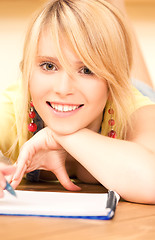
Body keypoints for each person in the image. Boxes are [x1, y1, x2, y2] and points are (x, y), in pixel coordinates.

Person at [0, 0, 155, 203]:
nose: (63, 89)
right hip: (87, 101)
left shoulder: (135, 110)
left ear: (112, 84)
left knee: (135, 74)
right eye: (48, 66)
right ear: (26, 72)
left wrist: (58, 136)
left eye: (87, 69)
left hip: (123, 96)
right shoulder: (11, 109)